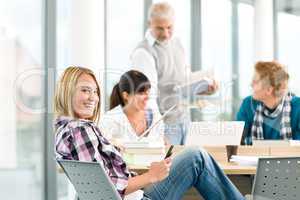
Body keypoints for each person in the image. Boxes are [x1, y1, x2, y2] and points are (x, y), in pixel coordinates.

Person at [54, 66, 244, 200]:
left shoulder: (66, 129)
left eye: (95, 92)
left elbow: (100, 181)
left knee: (195, 156)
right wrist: (151, 176)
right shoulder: (81, 130)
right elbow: (105, 190)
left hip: (135, 192)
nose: (93, 98)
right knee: (197, 156)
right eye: (85, 90)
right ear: (67, 91)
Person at [131, 2, 217, 145]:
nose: (165, 33)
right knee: (170, 166)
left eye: (169, 27)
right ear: (149, 23)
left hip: (184, 120)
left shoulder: (177, 44)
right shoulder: (143, 52)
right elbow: (147, 97)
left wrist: (204, 88)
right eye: (160, 28)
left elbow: (184, 80)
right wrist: (156, 133)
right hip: (165, 127)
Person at [236, 61, 300, 145]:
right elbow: (237, 140)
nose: (251, 84)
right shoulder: (247, 104)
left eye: (255, 82)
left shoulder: (297, 106)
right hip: (254, 157)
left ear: (269, 90)